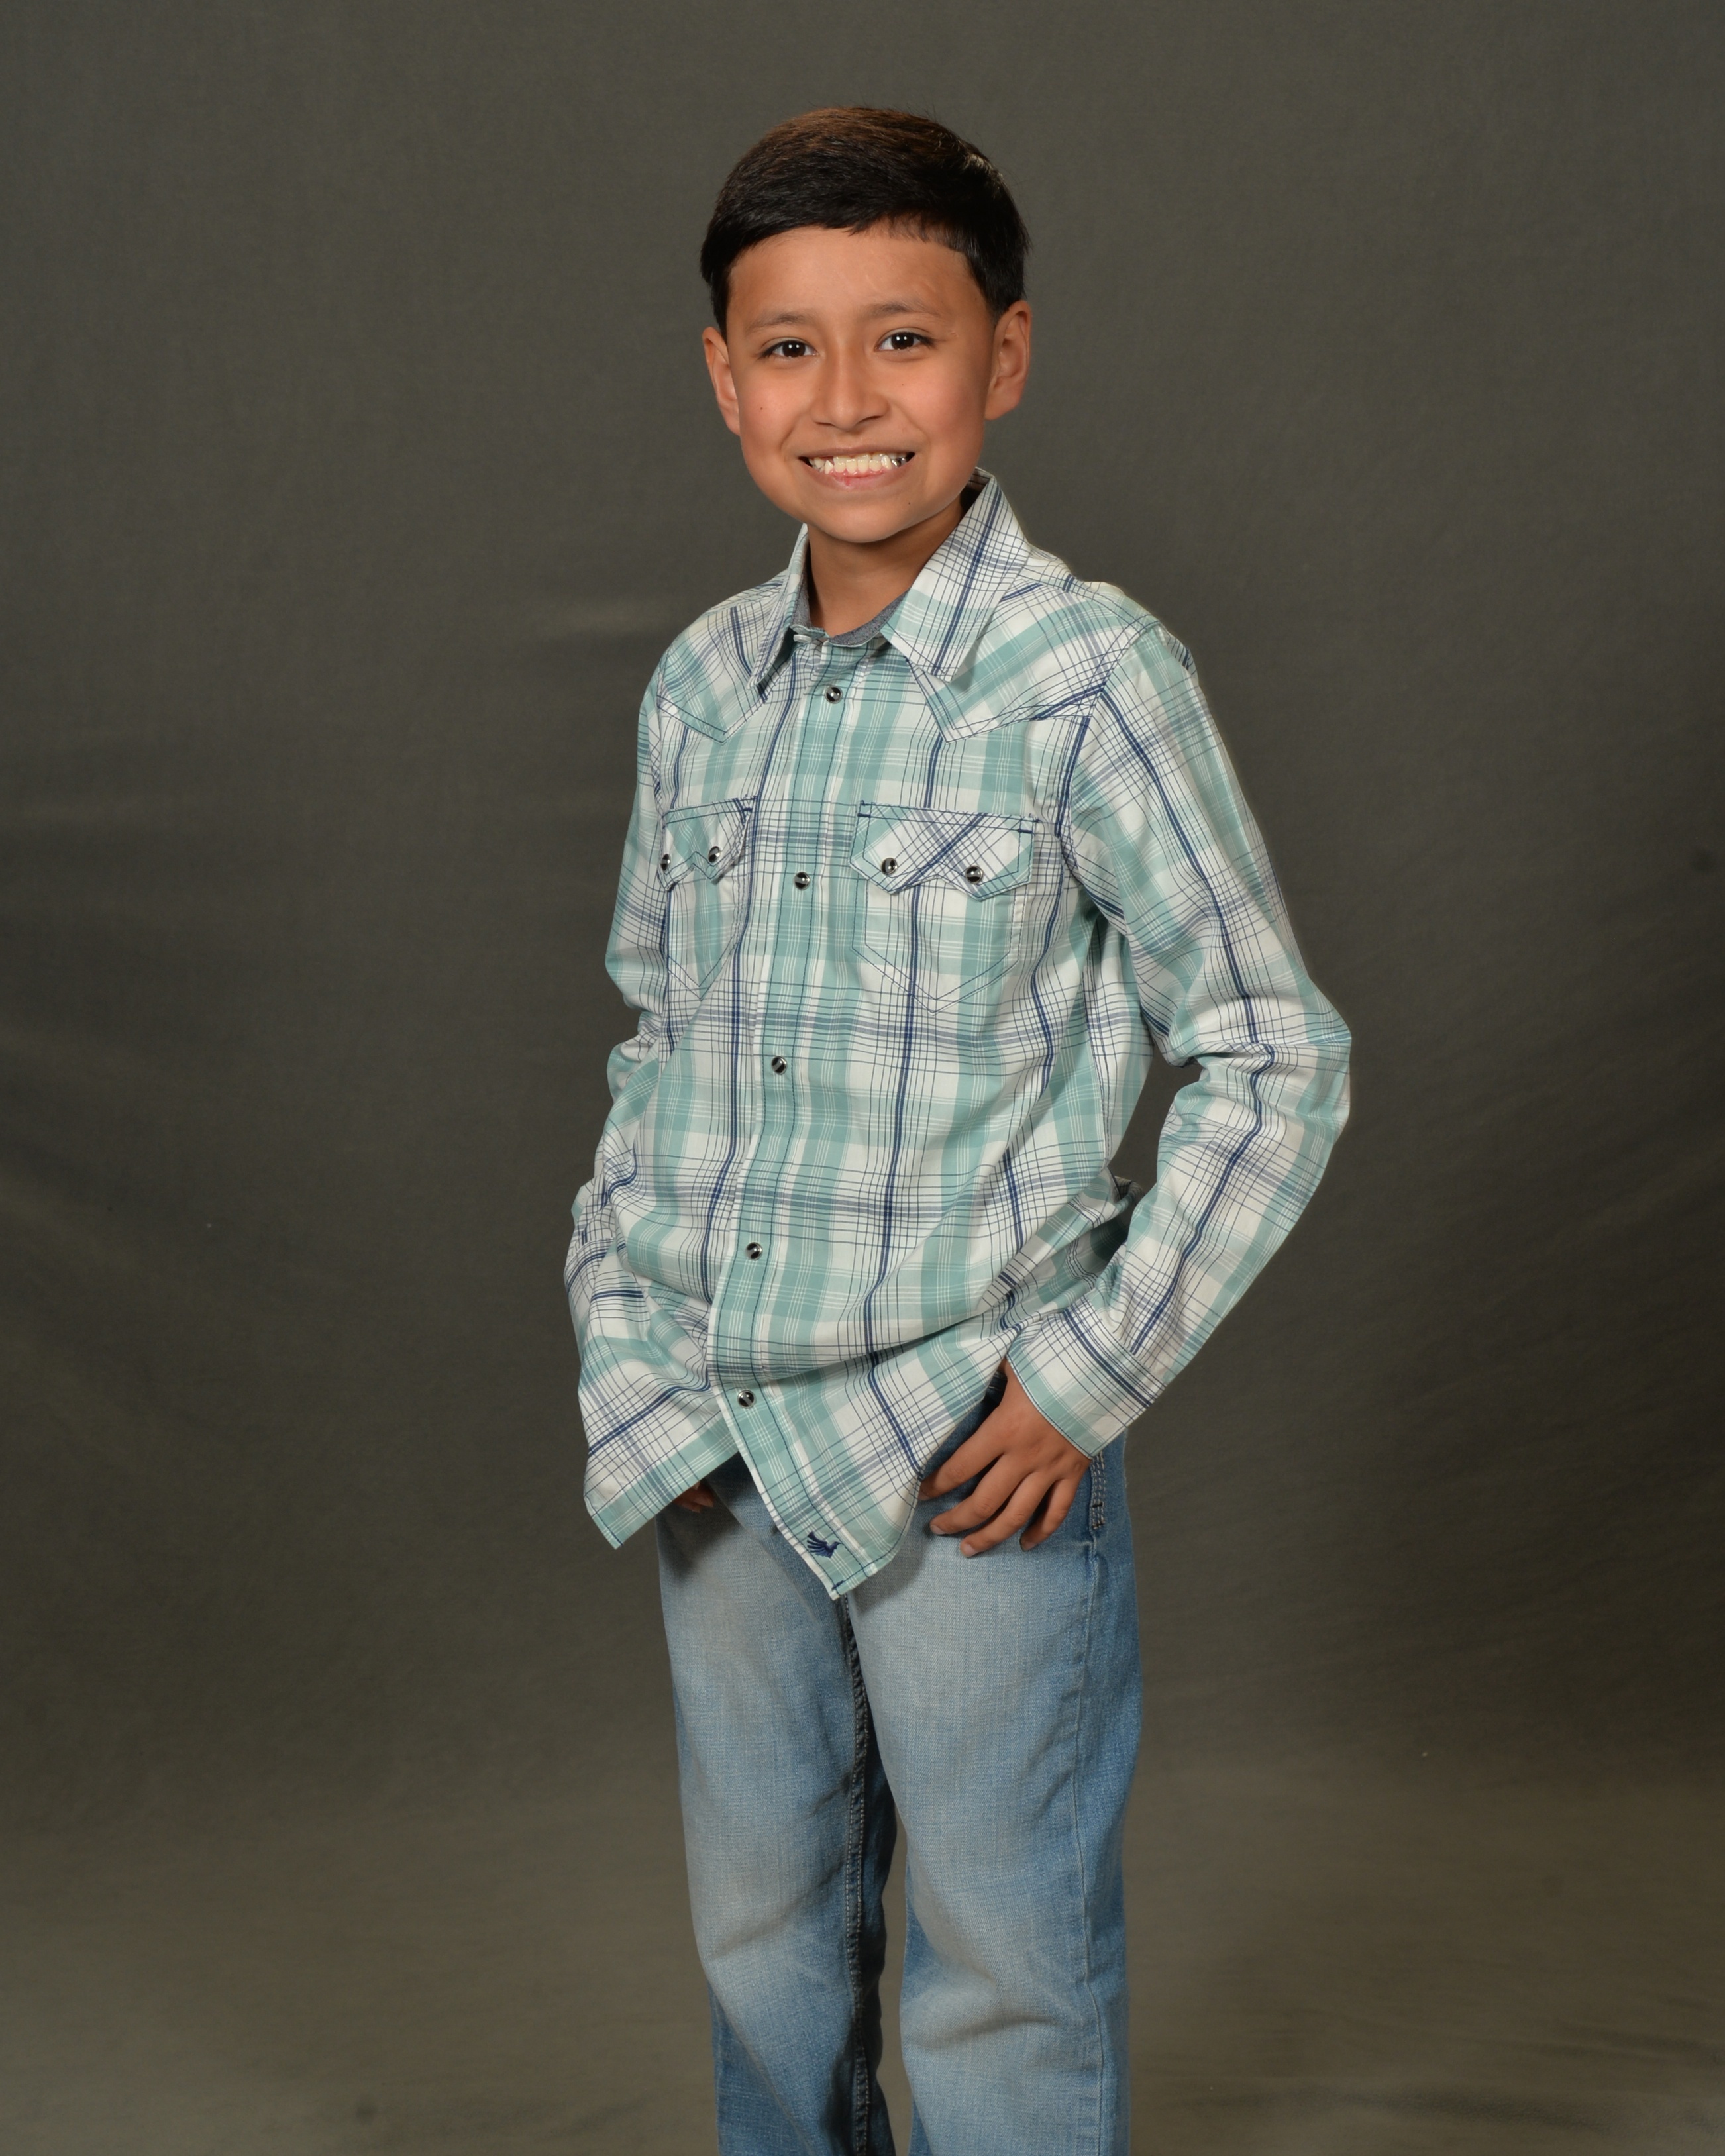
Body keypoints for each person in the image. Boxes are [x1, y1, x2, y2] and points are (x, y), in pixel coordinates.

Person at [565, 106, 1350, 2156]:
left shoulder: (1085, 680)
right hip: (719, 1433)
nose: (845, 399)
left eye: (901, 340)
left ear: (1001, 356)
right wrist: (622, 1325)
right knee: (764, 1933)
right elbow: (659, 1034)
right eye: (790, 348)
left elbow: (1271, 1051)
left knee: (1004, 1952)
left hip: (969, 1450)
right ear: (722, 379)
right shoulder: (700, 690)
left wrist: (1086, 1376)